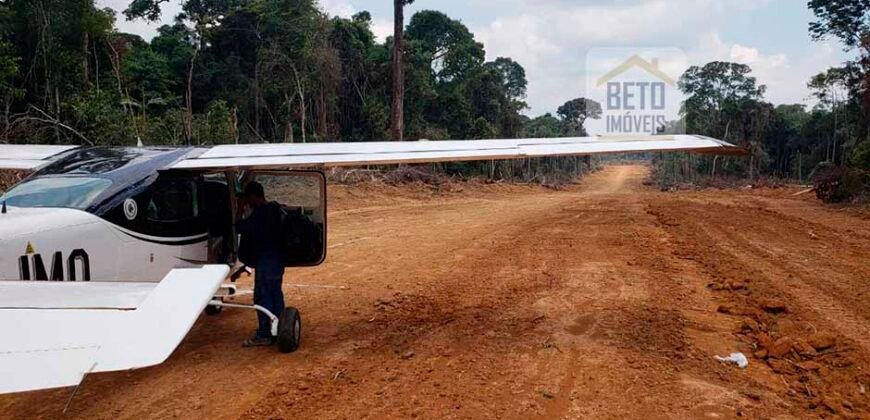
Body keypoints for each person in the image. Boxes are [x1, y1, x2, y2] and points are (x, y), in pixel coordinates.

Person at [236, 181, 286, 347]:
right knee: (276, 295)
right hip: (277, 260)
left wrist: (239, 208)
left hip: (265, 261)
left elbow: (239, 227)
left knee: (263, 297)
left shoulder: (260, 214)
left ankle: (265, 333)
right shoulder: (274, 210)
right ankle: (280, 329)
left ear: (252, 197)